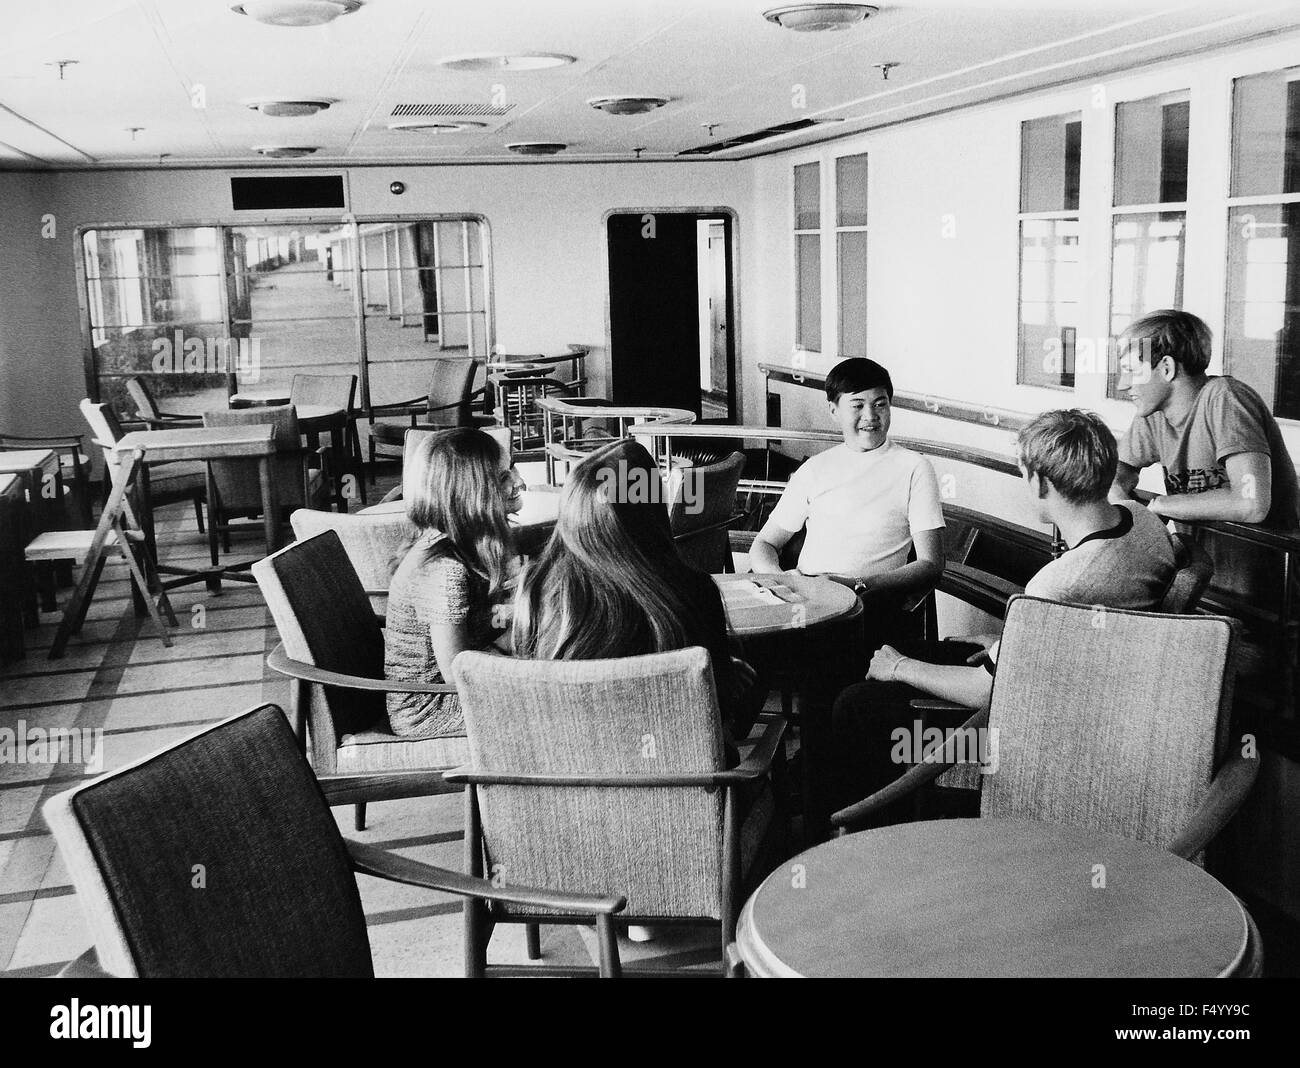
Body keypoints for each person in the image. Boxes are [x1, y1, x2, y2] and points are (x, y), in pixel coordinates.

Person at [831, 409, 1177, 823]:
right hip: (1088, 692)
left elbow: (987, 693)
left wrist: (900, 667)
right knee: (890, 657)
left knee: (857, 703)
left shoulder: (1058, 585)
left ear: (1039, 482)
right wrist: (1011, 643)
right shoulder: (1144, 522)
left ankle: (868, 827)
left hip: (1027, 735)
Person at [512, 438, 753, 733]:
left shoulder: (534, 591)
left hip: (566, 768)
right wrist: (722, 676)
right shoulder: (696, 592)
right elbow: (720, 712)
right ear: (651, 511)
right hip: (674, 773)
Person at [748, 357, 944, 650]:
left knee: (810, 662)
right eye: (857, 405)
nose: (871, 415)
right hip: (804, 596)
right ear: (833, 410)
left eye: (880, 404)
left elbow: (930, 563)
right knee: (741, 658)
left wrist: (858, 584)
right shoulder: (816, 468)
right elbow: (764, 543)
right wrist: (783, 583)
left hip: (865, 602)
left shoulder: (914, 468)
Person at [384, 428, 525, 738]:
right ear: (470, 492)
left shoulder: (453, 541)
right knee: (568, 695)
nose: (519, 482)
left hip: (452, 695)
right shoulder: (443, 568)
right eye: (503, 477)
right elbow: (457, 673)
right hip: (433, 709)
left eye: (512, 467)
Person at [1112, 309, 1299, 529]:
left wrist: (1160, 505)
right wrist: (1116, 491)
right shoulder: (1154, 413)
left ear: (1166, 368)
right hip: (1198, 560)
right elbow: (1118, 471)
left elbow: (1251, 505)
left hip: (1263, 560)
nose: (1122, 385)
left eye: (1132, 371)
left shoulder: (1226, 399)